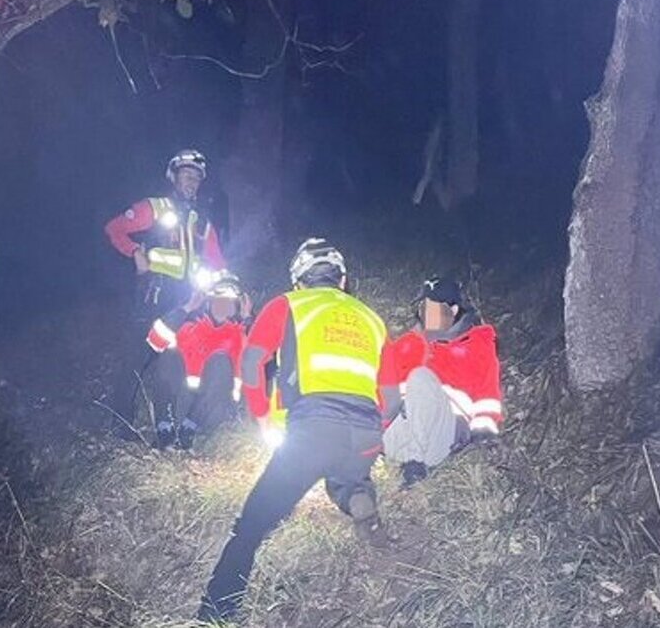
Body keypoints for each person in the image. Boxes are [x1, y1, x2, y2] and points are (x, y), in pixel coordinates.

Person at [198, 238, 395, 624]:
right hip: (366, 432)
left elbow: (253, 362)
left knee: (253, 522)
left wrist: (262, 417)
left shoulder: (289, 303)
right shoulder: (372, 318)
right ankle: (357, 493)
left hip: (313, 427)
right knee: (343, 472)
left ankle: (215, 613)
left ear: (299, 279)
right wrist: (373, 433)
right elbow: (392, 398)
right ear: (342, 280)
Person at [102, 150, 227, 434]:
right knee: (139, 354)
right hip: (154, 294)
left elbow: (218, 262)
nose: (192, 181)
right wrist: (135, 252)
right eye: (186, 174)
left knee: (178, 358)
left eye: (197, 177)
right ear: (173, 176)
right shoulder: (154, 208)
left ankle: (169, 422)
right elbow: (114, 228)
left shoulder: (202, 222)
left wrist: (229, 290)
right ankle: (119, 422)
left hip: (188, 299)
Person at [382, 275, 504, 488]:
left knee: (420, 377)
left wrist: (482, 434)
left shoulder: (477, 345)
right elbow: (384, 383)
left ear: (454, 310)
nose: (426, 313)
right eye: (424, 306)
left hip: (443, 435)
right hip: (401, 430)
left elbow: (488, 396)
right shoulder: (409, 343)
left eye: (433, 307)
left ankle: (414, 464)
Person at [145, 271, 250, 450]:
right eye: (219, 299)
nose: (223, 305)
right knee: (170, 353)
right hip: (179, 406)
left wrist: (248, 320)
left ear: (237, 306)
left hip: (211, 411)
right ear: (208, 301)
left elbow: (260, 362)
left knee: (221, 362)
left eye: (229, 301)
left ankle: (188, 431)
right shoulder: (188, 326)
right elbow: (155, 341)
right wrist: (185, 309)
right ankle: (165, 431)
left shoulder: (240, 334)